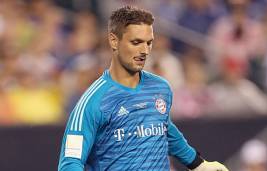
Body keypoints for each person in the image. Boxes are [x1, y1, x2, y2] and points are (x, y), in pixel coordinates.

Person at [58, 6, 228, 171]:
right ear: (114, 40)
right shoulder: (93, 102)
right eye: (136, 42)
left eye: (149, 43)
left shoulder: (161, 88)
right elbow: (70, 162)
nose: (145, 51)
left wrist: (198, 164)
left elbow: (164, 129)